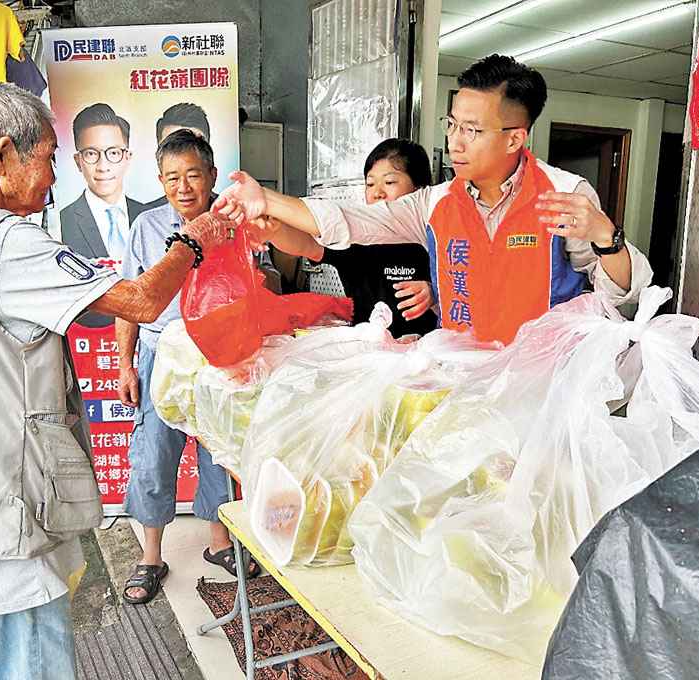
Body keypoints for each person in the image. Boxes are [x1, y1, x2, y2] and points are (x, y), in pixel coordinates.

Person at [0, 80, 236, 680]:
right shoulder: (3, 241)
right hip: (0, 528)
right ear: (1, 158)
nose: (53, 179)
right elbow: (143, 302)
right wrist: (191, 241)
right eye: (47, 158)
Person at [216, 54, 653, 345]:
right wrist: (266, 199)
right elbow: (347, 218)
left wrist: (606, 237)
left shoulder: (563, 194)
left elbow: (616, 293)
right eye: (452, 125)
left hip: (541, 379)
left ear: (515, 138)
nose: (455, 143)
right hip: (461, 372)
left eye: (472, 130)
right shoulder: (436, 202)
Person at [116, 129, 261, 606]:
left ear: (213, 176)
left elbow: (262, 286)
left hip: (221, 355)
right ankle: (151, 556)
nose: (183, 187)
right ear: (159, 181)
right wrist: (125, 366)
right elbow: (131, 303)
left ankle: (220, 542)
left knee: (220, 453)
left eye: (193, 175)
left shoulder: (237, 221)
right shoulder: (146, 228)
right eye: (172, 177)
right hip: (163, 356)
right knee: (155, 453)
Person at [301, 138, 438, 336]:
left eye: (389, 182)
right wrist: (269, 225)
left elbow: (465, 310)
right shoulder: (355, 239)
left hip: (425, 359)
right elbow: (303, 245)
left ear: (420, 191)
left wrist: (434, 296)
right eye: (370, 184)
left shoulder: (436, 242)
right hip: (369, 359)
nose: (377, 193)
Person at [60, 103, 146, 327]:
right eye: (91, 154)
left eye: (114, 153)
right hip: (89, 343)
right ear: (78, 162)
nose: (103, 165)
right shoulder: (62, 222)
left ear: (127, 158)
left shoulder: (148, 218)